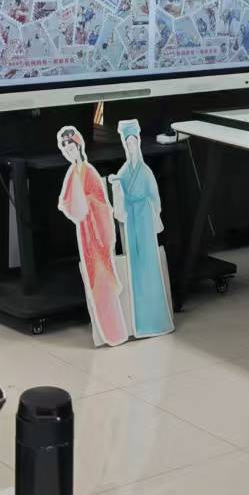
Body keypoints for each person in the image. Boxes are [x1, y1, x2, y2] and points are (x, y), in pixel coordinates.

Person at [56, 126, 128, 346]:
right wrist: (77, 206)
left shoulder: (89, 172)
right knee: (96, 286)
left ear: (79, 147)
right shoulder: (72, 174)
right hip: (85, 234)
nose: (69, 152)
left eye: (71, 148)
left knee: (104, 282)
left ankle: (116, 331)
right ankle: (108, 331)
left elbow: (102, 205)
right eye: (65, 149)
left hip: (97, 236)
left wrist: (87, 203)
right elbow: (65, 203)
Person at [109, 119, 174, 339]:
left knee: (150, 264)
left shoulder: (145, 171)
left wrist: (152, 212)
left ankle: (156, 317)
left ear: (138, 143)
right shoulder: (125, 171)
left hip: (145, 218)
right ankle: (141, 320)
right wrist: (116, 186)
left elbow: (155, 197)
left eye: (134, 142)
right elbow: (120, 197)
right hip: (133, 221)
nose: (132, 147)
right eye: (128, 143)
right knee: (135, 266)